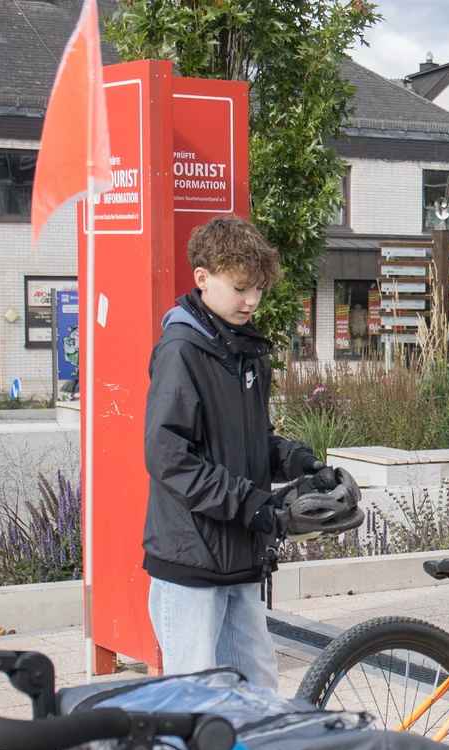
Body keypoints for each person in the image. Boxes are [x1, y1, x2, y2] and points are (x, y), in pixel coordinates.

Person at [141, 216, 334, 688]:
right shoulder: (182, 349)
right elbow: (168, 455)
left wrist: (295, 460)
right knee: (196, 703)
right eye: (241, 287)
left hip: (239, 557)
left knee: (257, 689)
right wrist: (251, 504)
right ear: (202, 278)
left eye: (259, 289)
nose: (252, 300)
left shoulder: (244, 349)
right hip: (190, 560)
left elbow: (247, 441)